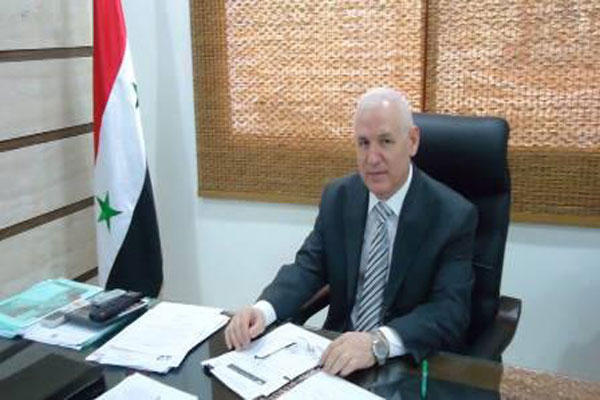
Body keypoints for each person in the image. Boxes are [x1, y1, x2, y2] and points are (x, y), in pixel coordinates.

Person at [225, 87, 477, 377]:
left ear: (412, 141)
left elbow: (449, 310)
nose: (372, 158)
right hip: (337, 355)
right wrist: (263, 310)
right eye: (363, 143)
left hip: (404, 363)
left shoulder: (452, 215)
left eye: (385, 141)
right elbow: (308, 267)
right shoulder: (339, 197)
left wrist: (379, 342)